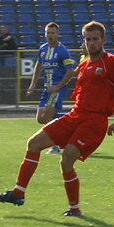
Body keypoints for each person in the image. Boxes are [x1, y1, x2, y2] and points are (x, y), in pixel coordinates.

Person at [0, 21, 114, 217]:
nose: (91, 43)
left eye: (95, 39)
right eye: (87, 39)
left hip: (94, 122)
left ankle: (75, 209)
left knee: (67, 158)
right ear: (83, 41)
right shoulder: (84, 64)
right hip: (75, 116)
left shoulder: (111, 62)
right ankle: (18, 193)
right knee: (34, 143)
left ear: (103, 40)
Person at [25, 21, 77, 154]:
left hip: (57, 89)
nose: (50, 35)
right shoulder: (42, 49)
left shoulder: (62, 50)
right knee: (40, 118)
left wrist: (58, 86)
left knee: (47, 116)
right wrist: (32, 84)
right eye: (48, 32)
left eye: (53, 33)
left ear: (58, 34)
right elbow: (38, 65)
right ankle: (73, 119)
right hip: (46, 89)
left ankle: (56, 145)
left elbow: (70, 71)